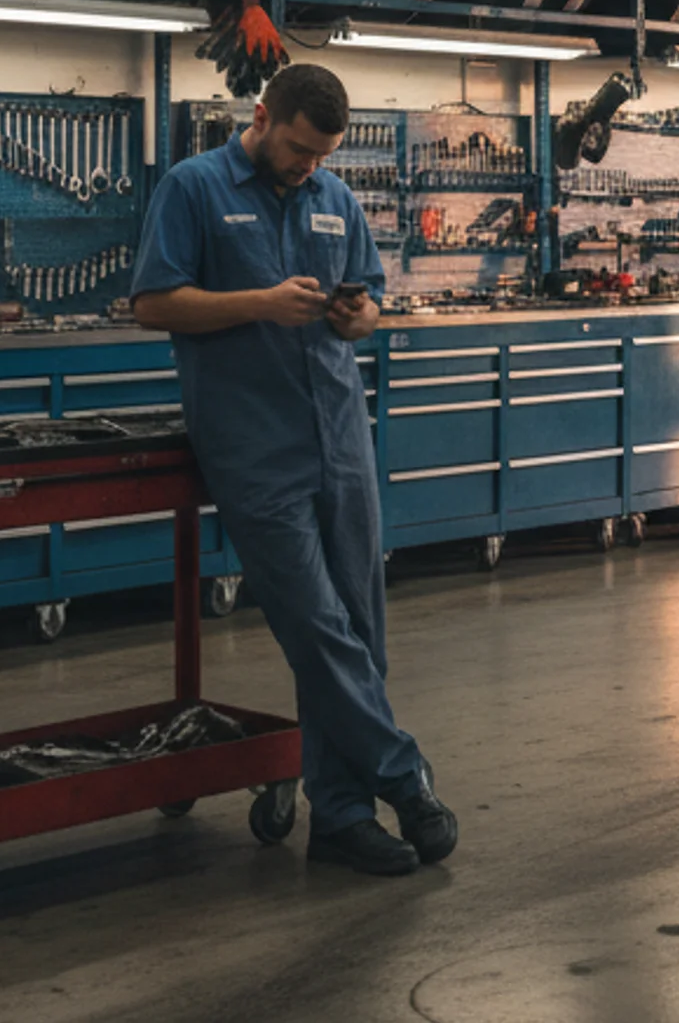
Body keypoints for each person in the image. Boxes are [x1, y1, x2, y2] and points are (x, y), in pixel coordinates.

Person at [131, 63, 455, 876]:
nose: (311, 165)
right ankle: (403, 778)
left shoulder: (336, 199)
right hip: (253, 447)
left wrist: (357, 316)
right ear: (263, 115)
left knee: (359, 631)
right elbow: (154, 303)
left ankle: (342, 818)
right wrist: (260, 303)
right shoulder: (193, 187)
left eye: (323, 155)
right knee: (315, 625)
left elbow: (372, 306)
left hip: (340, 439)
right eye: (301, 149)